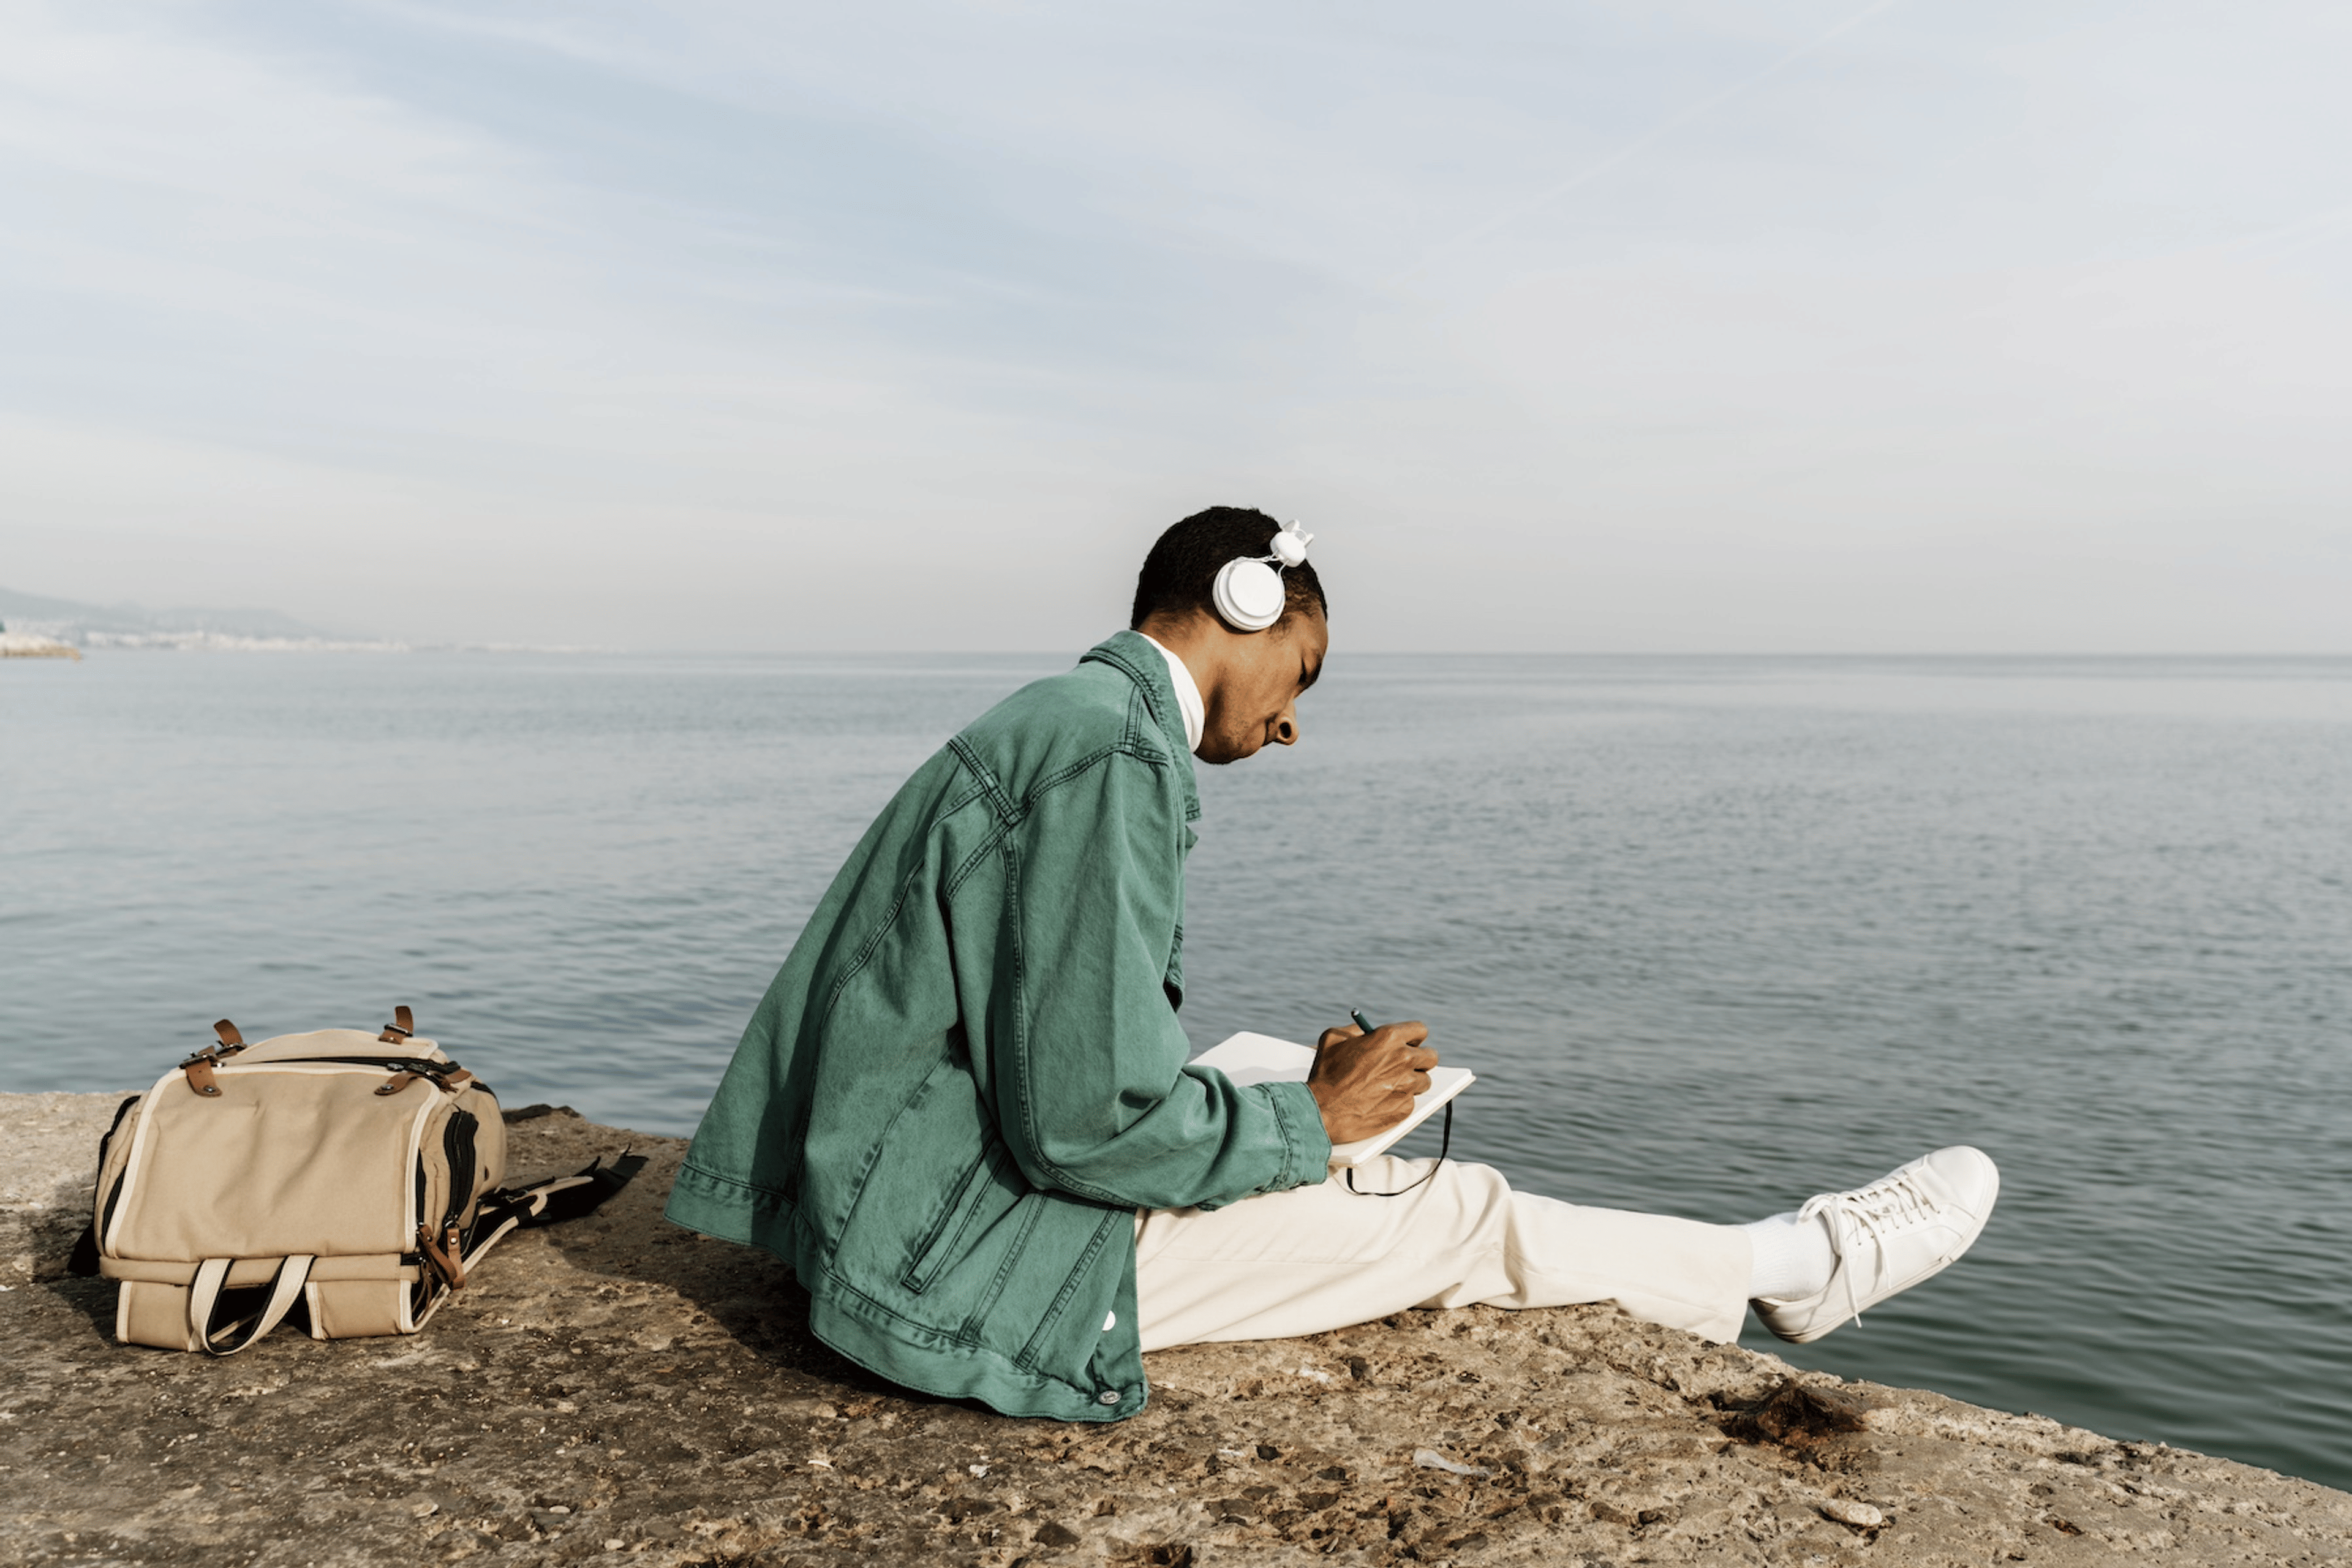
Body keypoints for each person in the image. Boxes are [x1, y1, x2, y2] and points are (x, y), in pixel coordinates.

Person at [666, 507, 1998, 1420]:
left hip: (902, 1203)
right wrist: (1308, 1119)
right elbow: (1082, 1120)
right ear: (1243, 606)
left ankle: (1773, 1257)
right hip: (952, 1256)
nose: (1293, 720)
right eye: (1300, 672)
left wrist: (1292, 1108)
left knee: (1339, 1145)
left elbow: (1037, 1050)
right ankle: (1795, 1264)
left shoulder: (1061, 721)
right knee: (1449, 1212)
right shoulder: (1112, 754)